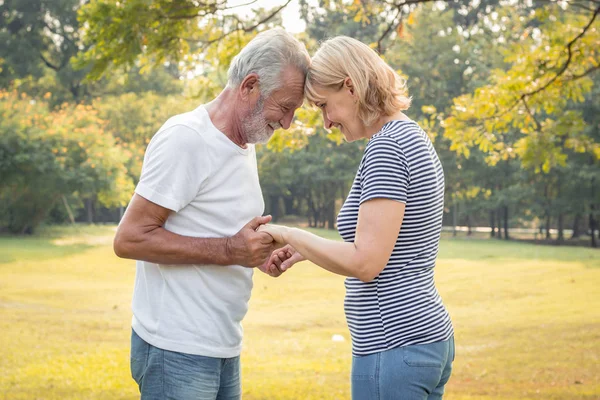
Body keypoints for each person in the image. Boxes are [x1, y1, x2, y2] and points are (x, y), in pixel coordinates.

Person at [113, 28, 310, 400]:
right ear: (250, 85)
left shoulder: (244, 143)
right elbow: (129, 238)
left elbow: (217, 231)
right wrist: (229, 250)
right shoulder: (187, 138)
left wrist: (257, 256)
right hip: (177, 350)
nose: (287, 123)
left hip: (221, 345)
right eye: (285, 108)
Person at [260, 36, 455, 399]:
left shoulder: (388, 148)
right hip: (421, 341)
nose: (326, 123)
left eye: (324, 106)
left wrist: (288, 235)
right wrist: (307, 251)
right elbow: (386, 246)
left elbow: (366, 263)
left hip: (393, 349)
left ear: (350, 86)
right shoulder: (410, 135)